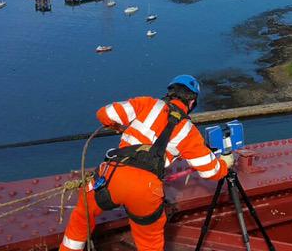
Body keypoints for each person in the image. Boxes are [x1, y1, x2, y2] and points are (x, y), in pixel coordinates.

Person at [59, 75, 232, 251]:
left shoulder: (148, 104)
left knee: (82, 216)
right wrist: (225, 163)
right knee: (150, 242)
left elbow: (104, 114)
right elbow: (211, 172)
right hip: (146, 189)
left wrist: (119, 128)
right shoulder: (189, 132)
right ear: (192, 102)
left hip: (112, 175)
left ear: (170, 92)